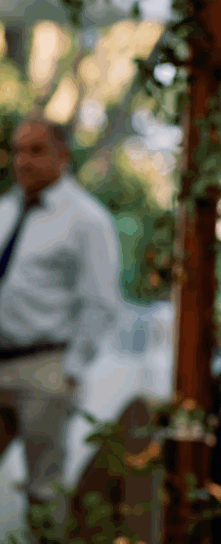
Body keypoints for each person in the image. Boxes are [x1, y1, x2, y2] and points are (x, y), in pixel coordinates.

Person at [0, 113, 122, 541]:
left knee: (43, 488)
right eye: (17, 150)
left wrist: (70, 369)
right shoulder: (5, 209)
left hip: (44, 364)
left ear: (62, 156)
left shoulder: (87, 219)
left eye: (35, 150)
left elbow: (102, 302)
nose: (23, 161)